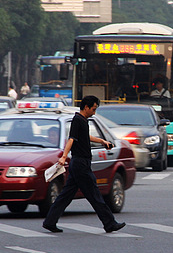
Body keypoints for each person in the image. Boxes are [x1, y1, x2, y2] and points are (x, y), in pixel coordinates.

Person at [42, 95, 126, 233]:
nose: (94, 112)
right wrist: (63, 157)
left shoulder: (82, 121)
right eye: (93, 109)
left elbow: (85, 136)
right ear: (86, 107)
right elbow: (71, 139)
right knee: (95, 195)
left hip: (79, 164)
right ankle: (109, 223)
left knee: (65, 196)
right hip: (81, 164)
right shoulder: (78, 120)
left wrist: (102, 142)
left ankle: (50, 222)